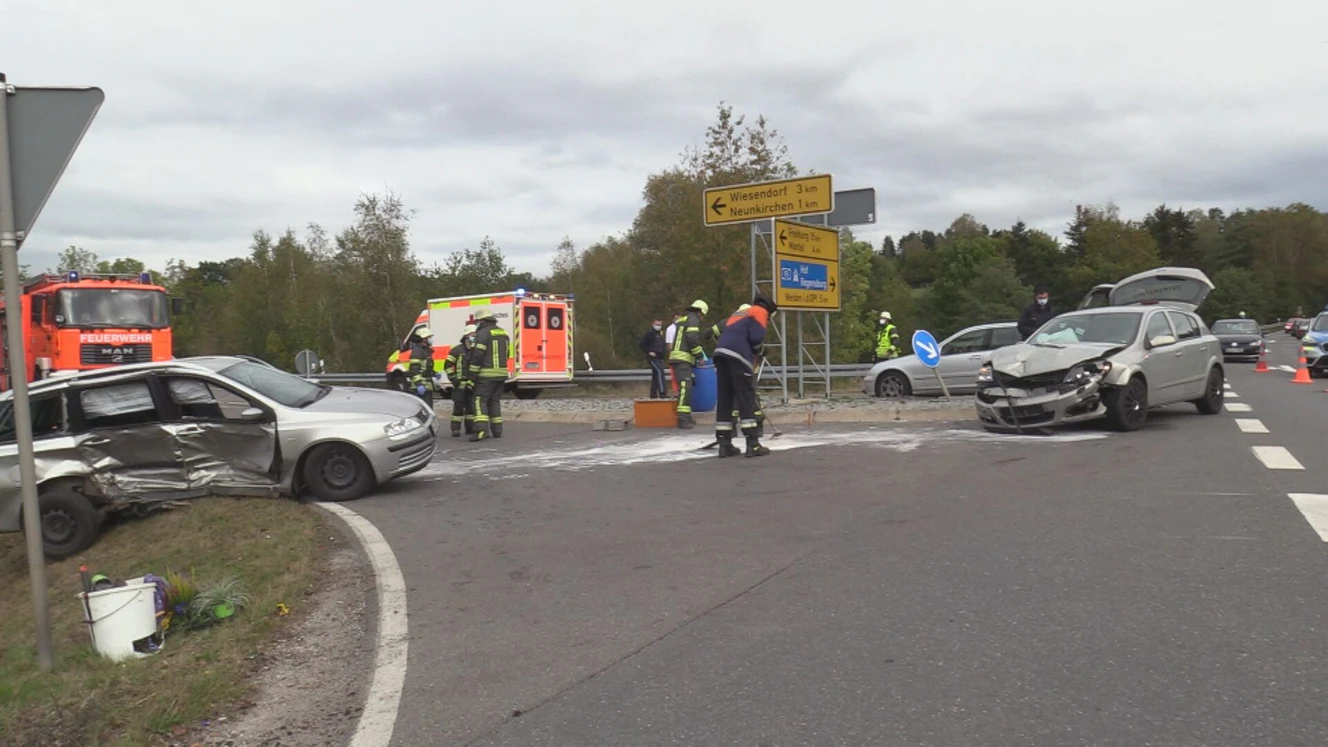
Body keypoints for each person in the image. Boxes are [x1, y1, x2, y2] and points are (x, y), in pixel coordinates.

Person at [713, 295, 778, 457]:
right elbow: (756, 338)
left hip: (721, 355)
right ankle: (752, 444)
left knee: (725, 398)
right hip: (738, 357)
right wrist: (760, 350)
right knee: (745, 398)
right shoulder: (760, 312)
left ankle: (724, 444)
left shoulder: (740, 313)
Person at [467, 309, 510, 441]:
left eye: (477, 321)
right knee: (494, 401)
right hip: (501, 374)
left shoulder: (482, 334)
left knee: (479, 400)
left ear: (482, 321)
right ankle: (497, 430)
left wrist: (471, 376)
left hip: (486, 375)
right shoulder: (502, 333)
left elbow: (478, 356)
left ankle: (481, 430)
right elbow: (507, 353)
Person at [667, 299, 708, 429]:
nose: (702, 318)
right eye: (703, 316)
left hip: (678, 358)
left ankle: (686, 415)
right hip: (682, 359)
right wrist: (699, 356)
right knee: (685, 387)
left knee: (687, 386)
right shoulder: (693, 319)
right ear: (700, 312)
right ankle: (683, 419)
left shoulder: (684, 319)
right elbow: (692, 339)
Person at [443, 325, 477, 436]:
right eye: (472, 334)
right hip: (459, 385)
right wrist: (452, 378)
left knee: (471, 409)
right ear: (466, 336)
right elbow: (447, 365)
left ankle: (470, 428)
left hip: (471, 384)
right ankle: (455, 429)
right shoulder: (456, 350)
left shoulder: (476, 350)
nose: (474, 337)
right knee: (458, 408)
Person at [406, 327, 438, 403]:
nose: (430, 339)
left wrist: (434, 373)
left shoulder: (425, 351)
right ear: (424, 339)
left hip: (427, 386)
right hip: (420, 387)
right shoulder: (417, 351)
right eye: (429, 337)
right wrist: (419, 384)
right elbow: (414, 370)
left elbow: (425, 368)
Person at [639, 319, 668, 399]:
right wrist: (649, 352)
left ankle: (653, 394)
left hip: (659, 357)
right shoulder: (650, 333)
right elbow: (642, 344)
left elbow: (662, 346)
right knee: (660, 371)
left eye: (660, 325)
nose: (658, 326)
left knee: (655, 375)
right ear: (653, 324)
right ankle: (662, 392)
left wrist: (662, 357)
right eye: (657, 324)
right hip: (652, 357)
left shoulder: (660, 334)